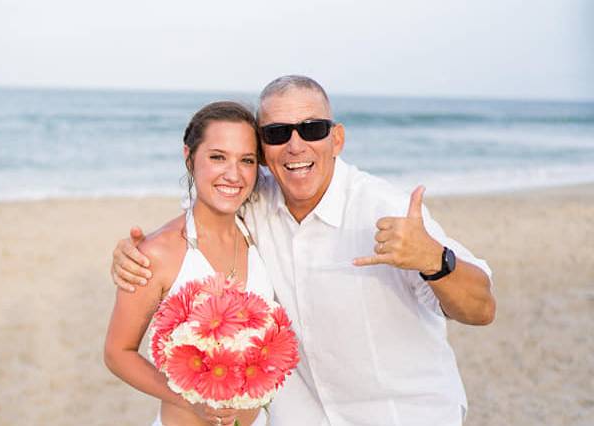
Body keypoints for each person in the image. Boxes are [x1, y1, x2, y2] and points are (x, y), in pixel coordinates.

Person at [111, 76, 496, 426]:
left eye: (312, 128)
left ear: (337, 139)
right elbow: (214, 191)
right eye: (277, 133)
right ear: (264, 150)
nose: (295, 145)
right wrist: (134, 251)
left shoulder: (385, 208)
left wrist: (435, 261)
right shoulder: (256, 200)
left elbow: (482, 309)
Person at [104, 101, 275, 426]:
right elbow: (117, 352)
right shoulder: (158, 253)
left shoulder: (260, 233)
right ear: (189, 157)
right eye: (217, 157)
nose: (233, 174)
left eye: (247, 160)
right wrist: (188, 399)